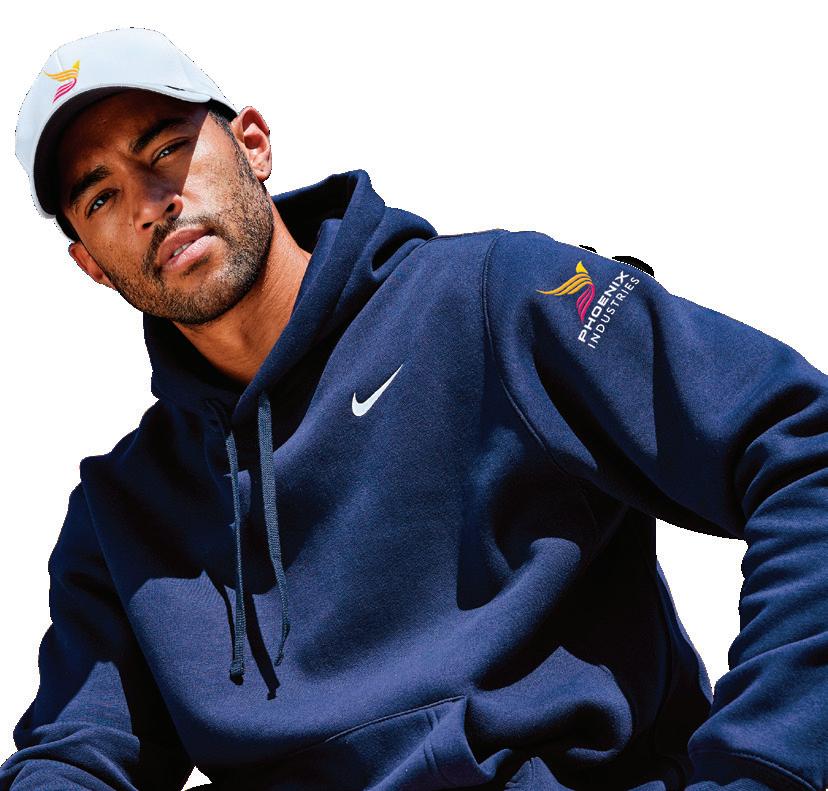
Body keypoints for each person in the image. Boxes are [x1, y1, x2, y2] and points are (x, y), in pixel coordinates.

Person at [3, 25, 826, 791]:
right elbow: (74, 755)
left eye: (167, 148)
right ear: (91, 263)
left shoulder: (500, 300)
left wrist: (761, 762)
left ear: (252, 143)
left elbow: (800, 448)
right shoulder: (122, 512)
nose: (151, 201)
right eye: (101, 198)